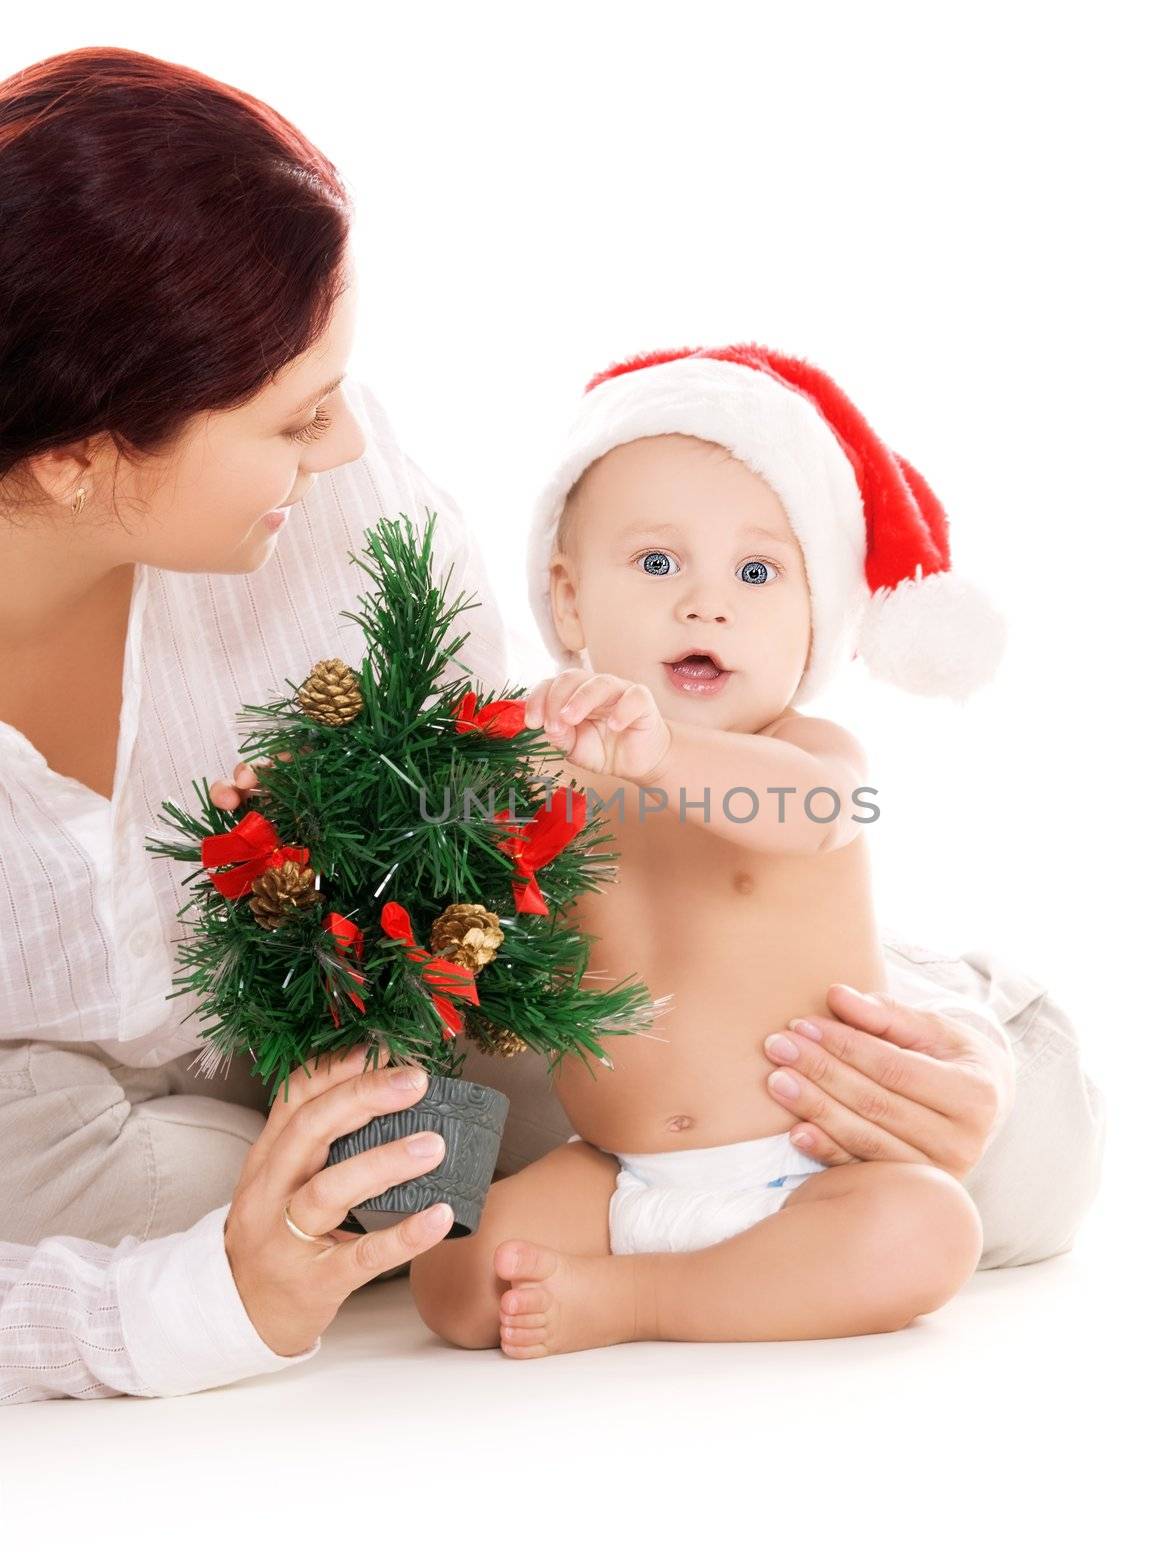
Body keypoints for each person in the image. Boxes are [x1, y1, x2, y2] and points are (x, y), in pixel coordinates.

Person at [0, 48, 1102, 1402]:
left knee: (1015, 1162)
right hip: (51, 1093)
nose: (343, 444)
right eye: (294, 419)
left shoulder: (334, 507)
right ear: (76, 457)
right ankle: (340, 1208)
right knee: (111, 1209)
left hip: (406, 988)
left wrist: (936, 1077)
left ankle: (384, 1200)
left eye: (337, 388)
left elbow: (517, 835)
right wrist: (207, 1299)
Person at [409, 345, 1103, 1357]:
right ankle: (634, 1273)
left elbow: (808, 810)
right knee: (448, 1277)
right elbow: (436, 827)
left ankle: (641, 1301)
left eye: (755, 570)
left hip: (808, 1168)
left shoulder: (802, 757)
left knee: (924, 1231)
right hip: (617, 1168)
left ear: (818, 618)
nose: (705, 603)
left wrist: (662, 749)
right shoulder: (550, 765)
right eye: (655, 563)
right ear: (566, 602)